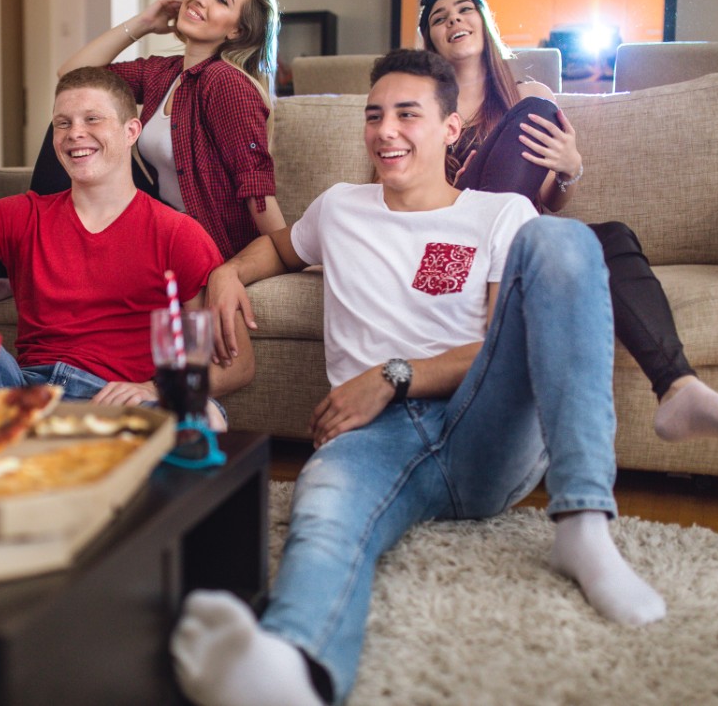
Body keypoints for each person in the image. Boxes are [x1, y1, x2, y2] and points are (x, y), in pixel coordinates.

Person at [172, 50, 665, 706]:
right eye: (375, 115)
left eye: (408, 114)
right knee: (320, 516)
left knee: (566, 242)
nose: (385, 130)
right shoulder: (341, 206)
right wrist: (226, 273)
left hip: (481, 427)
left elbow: (501, 344)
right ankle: (294, 668)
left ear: (450, 128)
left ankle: (583, 524)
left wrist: (394, 375)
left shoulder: (498, 214)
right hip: (368, 437)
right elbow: (281, 247)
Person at [418, 0, 718, 444]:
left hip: (519, 240)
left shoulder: (526, 94)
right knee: (535, 114)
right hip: (454, 240)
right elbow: (405, 191)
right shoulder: (421, 105)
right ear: (430, 40)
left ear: (483, 23)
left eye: (464, 9)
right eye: (439, 18)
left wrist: (569, 170)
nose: (454, 20)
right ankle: (491, 261)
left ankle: (678, 388)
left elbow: (546, 197)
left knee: (611, 236)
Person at [0, 67, 253, 418]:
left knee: (205, 419)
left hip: (114, 402)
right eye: (63, 123)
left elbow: (238, 366)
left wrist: (153, 389)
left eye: (93, 120)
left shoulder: (177, 233)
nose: (75, 134)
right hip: (18, 390)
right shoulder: (25, 214)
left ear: (131, 131)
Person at [0, 0, 288, 306]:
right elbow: (74, 79)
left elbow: (255, 185)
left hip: (192, 239)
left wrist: (284, 252)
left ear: (237, 30)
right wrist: (142, 22)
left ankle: (19, 259)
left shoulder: (226, 83)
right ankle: (23, 254)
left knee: (12, 233)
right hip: (155, 220)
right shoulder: (166, 72)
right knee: (74, 125)